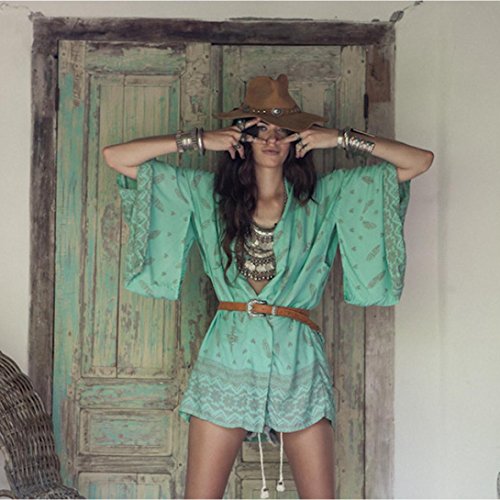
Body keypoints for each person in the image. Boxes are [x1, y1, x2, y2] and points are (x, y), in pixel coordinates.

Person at [102, 74, 433, 499]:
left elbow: (418, 161)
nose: (272, 140)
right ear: (242, 138)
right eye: (260, 130)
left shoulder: (325, 197)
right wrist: (198, 141)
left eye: (283, 131)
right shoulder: (208, 196)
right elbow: (117, 157)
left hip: (298, 362)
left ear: (297, 140)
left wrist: (341, 138)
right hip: (227, 360)